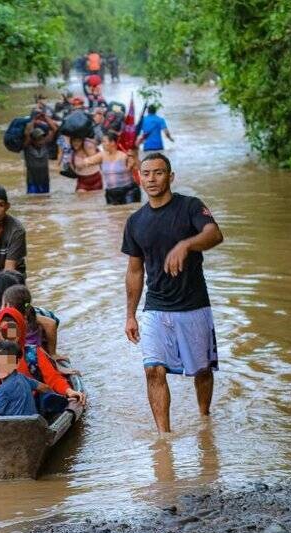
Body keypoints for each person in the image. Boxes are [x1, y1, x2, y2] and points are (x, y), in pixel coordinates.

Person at [121, 153, 224, 433]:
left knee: (202, 371)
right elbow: (134, 271)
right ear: (139, 178)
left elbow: (215, 234)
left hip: (193, 304)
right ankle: (164, 440)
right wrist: (130, 315)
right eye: (146, 173)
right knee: (153, 369)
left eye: (158, 172)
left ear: (170, 176)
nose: (152, 179)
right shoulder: (135, 222)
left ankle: (205, 419)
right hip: (156, 306)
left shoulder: (190, 206)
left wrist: (186, 245)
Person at [0, 309, 86, 413]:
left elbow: (53, 378)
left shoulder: (32, 354)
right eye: (3, 331)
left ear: (20, 331)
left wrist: (69, 391)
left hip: (34, 404)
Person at [79, 132, 141, 205]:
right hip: (111, 192)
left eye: (104, 141)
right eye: (102, 142)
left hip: (129, 191)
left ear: (112, 142)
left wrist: (135, 157)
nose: (102, 144)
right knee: (112, 215)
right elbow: (86, 162)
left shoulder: (124, 156)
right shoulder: (102, 155)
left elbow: (139, 168)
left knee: (129, 212)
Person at [23, 113, 59, 195]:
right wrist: (33, 120)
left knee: (45, 199)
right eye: (38, 139)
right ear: (33, 140)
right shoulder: (27, 148)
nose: (41, 141)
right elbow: (27, 133)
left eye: (42, 138)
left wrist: (45, 117)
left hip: (45, 180)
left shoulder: (45, 145)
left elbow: (54, 129)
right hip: (32, 181)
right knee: (33, 200)